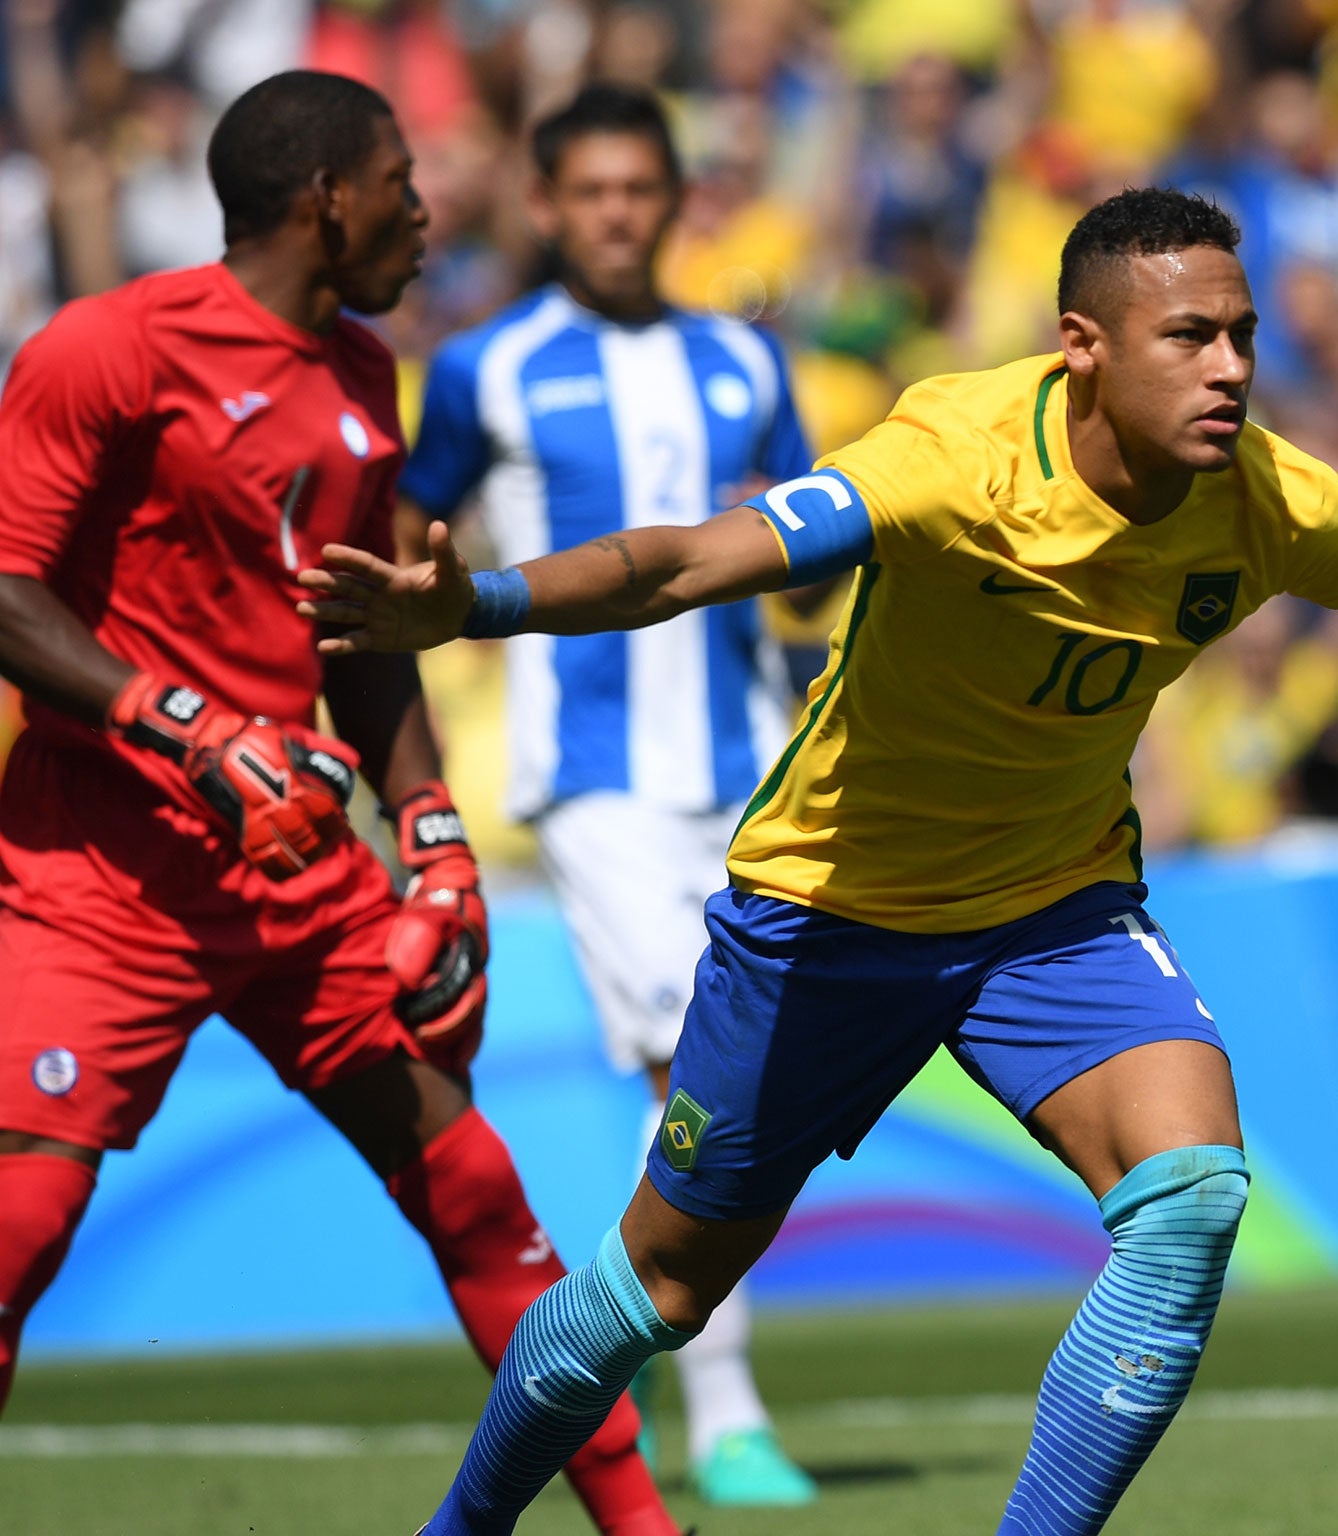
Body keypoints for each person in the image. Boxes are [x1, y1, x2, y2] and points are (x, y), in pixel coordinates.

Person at [305, 187, 1338, 1536]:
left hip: (1053, 916)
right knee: (655, 1295)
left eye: (1243, 335)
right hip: (832, 910)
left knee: (1190, 1200)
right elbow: (691, 560)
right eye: (1189, 336)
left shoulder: (1269, 498)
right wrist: (479, 605)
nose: (1231, 368)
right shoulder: (951, 457)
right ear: (1083, 347)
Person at [0, 71, 680, 1536]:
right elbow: (2, 590)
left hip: (298, 872)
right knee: (19, 1227)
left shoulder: (367, 376)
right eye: (401, 184)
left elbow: (357, 637)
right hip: (101, 875)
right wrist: (178, 727)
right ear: (326, 201)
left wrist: (427, 827)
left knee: (477, 1192)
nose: (427, 216)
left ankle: (645, 1530)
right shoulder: (105, 349)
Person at [397, 82, 814, 1508]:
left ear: (677, 200)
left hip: (750, 767)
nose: (620, 215)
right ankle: (729, 1408)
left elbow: (815, 551)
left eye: (643, 189)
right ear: (548, 205)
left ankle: (638, 1361)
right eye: (593, 192)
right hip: (591, 780)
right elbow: (413, 540)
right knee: (688, 1069)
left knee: (757, 1074)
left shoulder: (743, 364)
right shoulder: (484, 368)